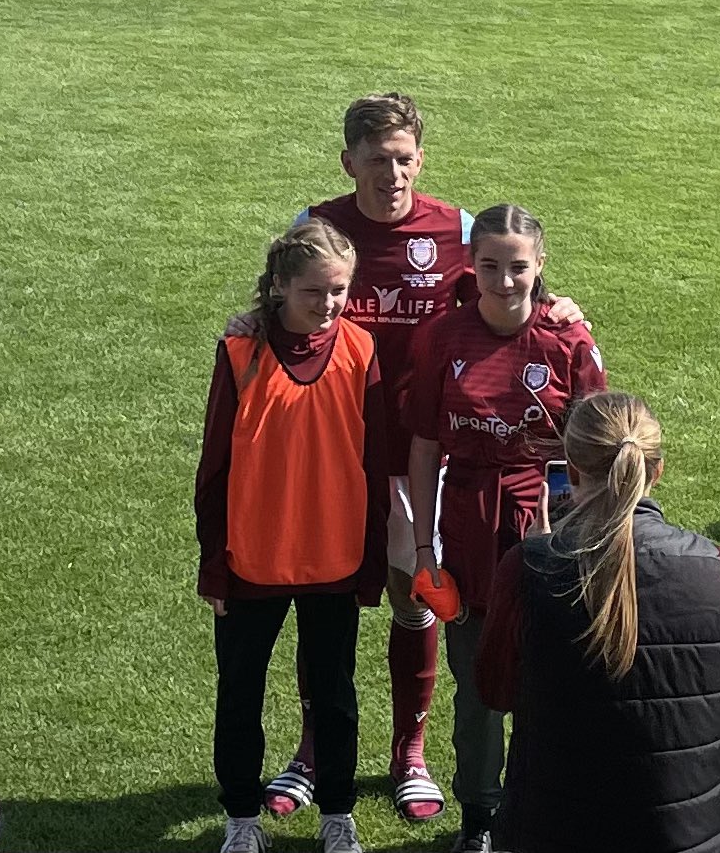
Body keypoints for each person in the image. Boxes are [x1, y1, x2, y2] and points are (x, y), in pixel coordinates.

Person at [226, 93, 587, 822]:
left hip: (422, 451)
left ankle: (409, 752)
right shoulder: (318, 224)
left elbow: (504, 288)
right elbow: (290, 296)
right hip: (330, 448)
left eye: (403, 159)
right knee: (322, 598)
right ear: (348, 162)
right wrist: (251, 314)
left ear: (420, 159)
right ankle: (313, 751)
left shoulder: (453, 228)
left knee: (416, 596)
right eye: (377, 159)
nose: (391, 173)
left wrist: (560, 307)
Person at [405, 204, 607, 853]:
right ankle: (481, 815)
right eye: (489, 265)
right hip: (465, 530)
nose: (504, 279)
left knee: (552, 677)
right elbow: (424, 444)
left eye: (517, 266)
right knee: (478, 687)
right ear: (471, 263)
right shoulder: (445, 335)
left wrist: (586, 540)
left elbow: (598, 452)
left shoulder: (568, 340)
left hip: (548, 530)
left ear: (539, 264)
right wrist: (421, 546)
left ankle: (547, 803)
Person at [477, 392, 720, 853]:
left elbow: (496, 690)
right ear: (655, 471)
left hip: (555, 829)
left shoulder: (529, 570)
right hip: (695, 834)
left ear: (573, 472)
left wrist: (539, 554)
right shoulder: (719, 569)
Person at [195, 219, 389, 853]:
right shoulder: (241, 352)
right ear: (279, 287)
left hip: (334, 555)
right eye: (315, 292)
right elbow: (215, 464)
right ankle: (241, 819)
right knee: (240, 692)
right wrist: (214, 565)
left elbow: (376, 457)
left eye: (339, 291)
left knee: (334, 694)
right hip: (253, 557)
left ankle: (338, 813)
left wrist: (371, 562)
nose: (329, 304)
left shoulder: (360, 349)